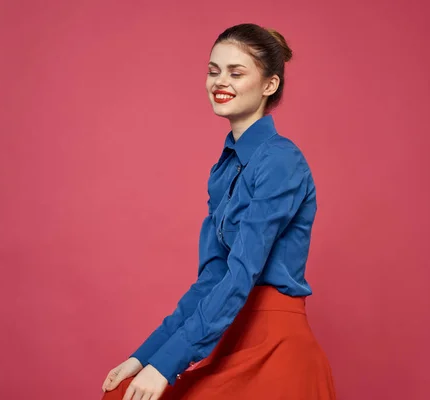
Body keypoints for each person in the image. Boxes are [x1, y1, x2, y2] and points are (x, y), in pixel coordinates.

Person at [101, 23, 336, 400]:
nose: (219, 81)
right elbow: (212, 279)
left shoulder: (281, 161)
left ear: (269, 85)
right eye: (213, 70)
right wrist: (145, 357)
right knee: (121, 394)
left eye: (236, 72)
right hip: (230, 333)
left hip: (274, 346)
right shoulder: (224, 170)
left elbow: (243, 272)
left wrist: (167, 364)